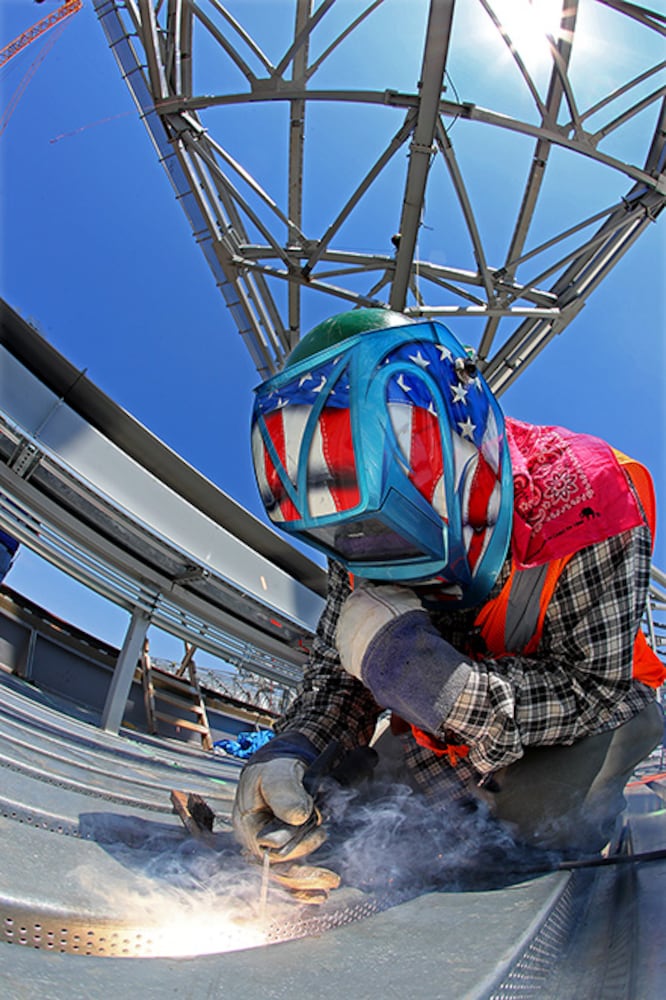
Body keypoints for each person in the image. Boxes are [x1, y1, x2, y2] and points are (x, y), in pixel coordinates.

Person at [232, 308, 664, 892]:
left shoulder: (595, 498)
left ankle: (579, 815)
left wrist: (449, 691)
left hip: (584, 715)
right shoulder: (354, 533)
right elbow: (339, 682)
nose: (384, 557)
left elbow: (595, 687)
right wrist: (294, 749)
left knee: (536, 824)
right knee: (344, 817)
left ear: (467, 448)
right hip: (445, 730)